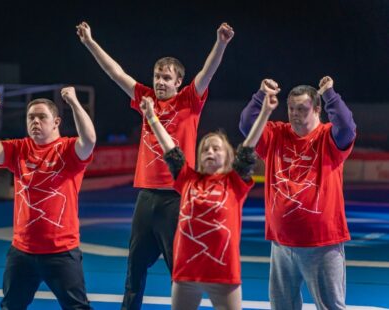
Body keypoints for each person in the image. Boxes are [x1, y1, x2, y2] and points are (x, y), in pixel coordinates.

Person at [76, 21, 234, 309]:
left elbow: (207, 71)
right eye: (157, 76)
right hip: (146, 198)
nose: (160, 82)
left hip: (177, 197)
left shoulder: (189, 100)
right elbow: (115, 72)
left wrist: (221, 43)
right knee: (134, 268)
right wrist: (89, 42)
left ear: (178, 82)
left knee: (179, 270)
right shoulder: (145, 99)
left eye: (166, 77)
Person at [140, 93, 277, 309]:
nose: (209, 152)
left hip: (222, 272)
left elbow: (248, 150)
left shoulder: (234, 182)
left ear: (229, 156)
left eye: (216, 148)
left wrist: (266, 113)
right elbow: (170, 150)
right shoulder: (187, 178)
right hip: (186, 271)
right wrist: (151, 117)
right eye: (205, 149)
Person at [239, 76, 357, 309]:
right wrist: (260, 95)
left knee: (331, 306)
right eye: (291, 108)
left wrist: (330, 95)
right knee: (282, 306)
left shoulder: (329, 137)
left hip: (322, 243)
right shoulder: (275, 134)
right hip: (281, 244)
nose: (294, 114)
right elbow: (246, 125)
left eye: (302, 109)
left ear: (317, 109)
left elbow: (347, 127)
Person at [0, 87, 96, 309]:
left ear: (56, 122)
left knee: (77, 307)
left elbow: (89, 139)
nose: (35, 122)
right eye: (31, 117)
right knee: (11, 306)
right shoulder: (19, 149)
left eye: (42, 117)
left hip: (61, 250)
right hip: (22, 251)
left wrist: (74, 103)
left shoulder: (69, 149)